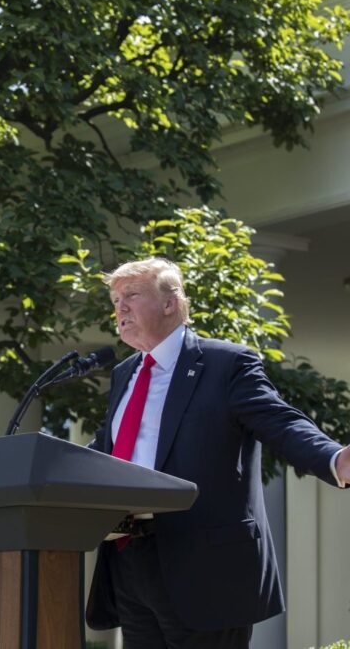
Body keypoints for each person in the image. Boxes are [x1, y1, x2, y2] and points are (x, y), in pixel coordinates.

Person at [85, 257, 350, 649]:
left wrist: (336, 458)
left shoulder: (226, 364)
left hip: (203, 565)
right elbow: (110, 449)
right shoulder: (125, 373)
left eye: (131, 296)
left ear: (170, 303)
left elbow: (280, 422)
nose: (119, 308)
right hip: (130, 560)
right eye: (115, 300)